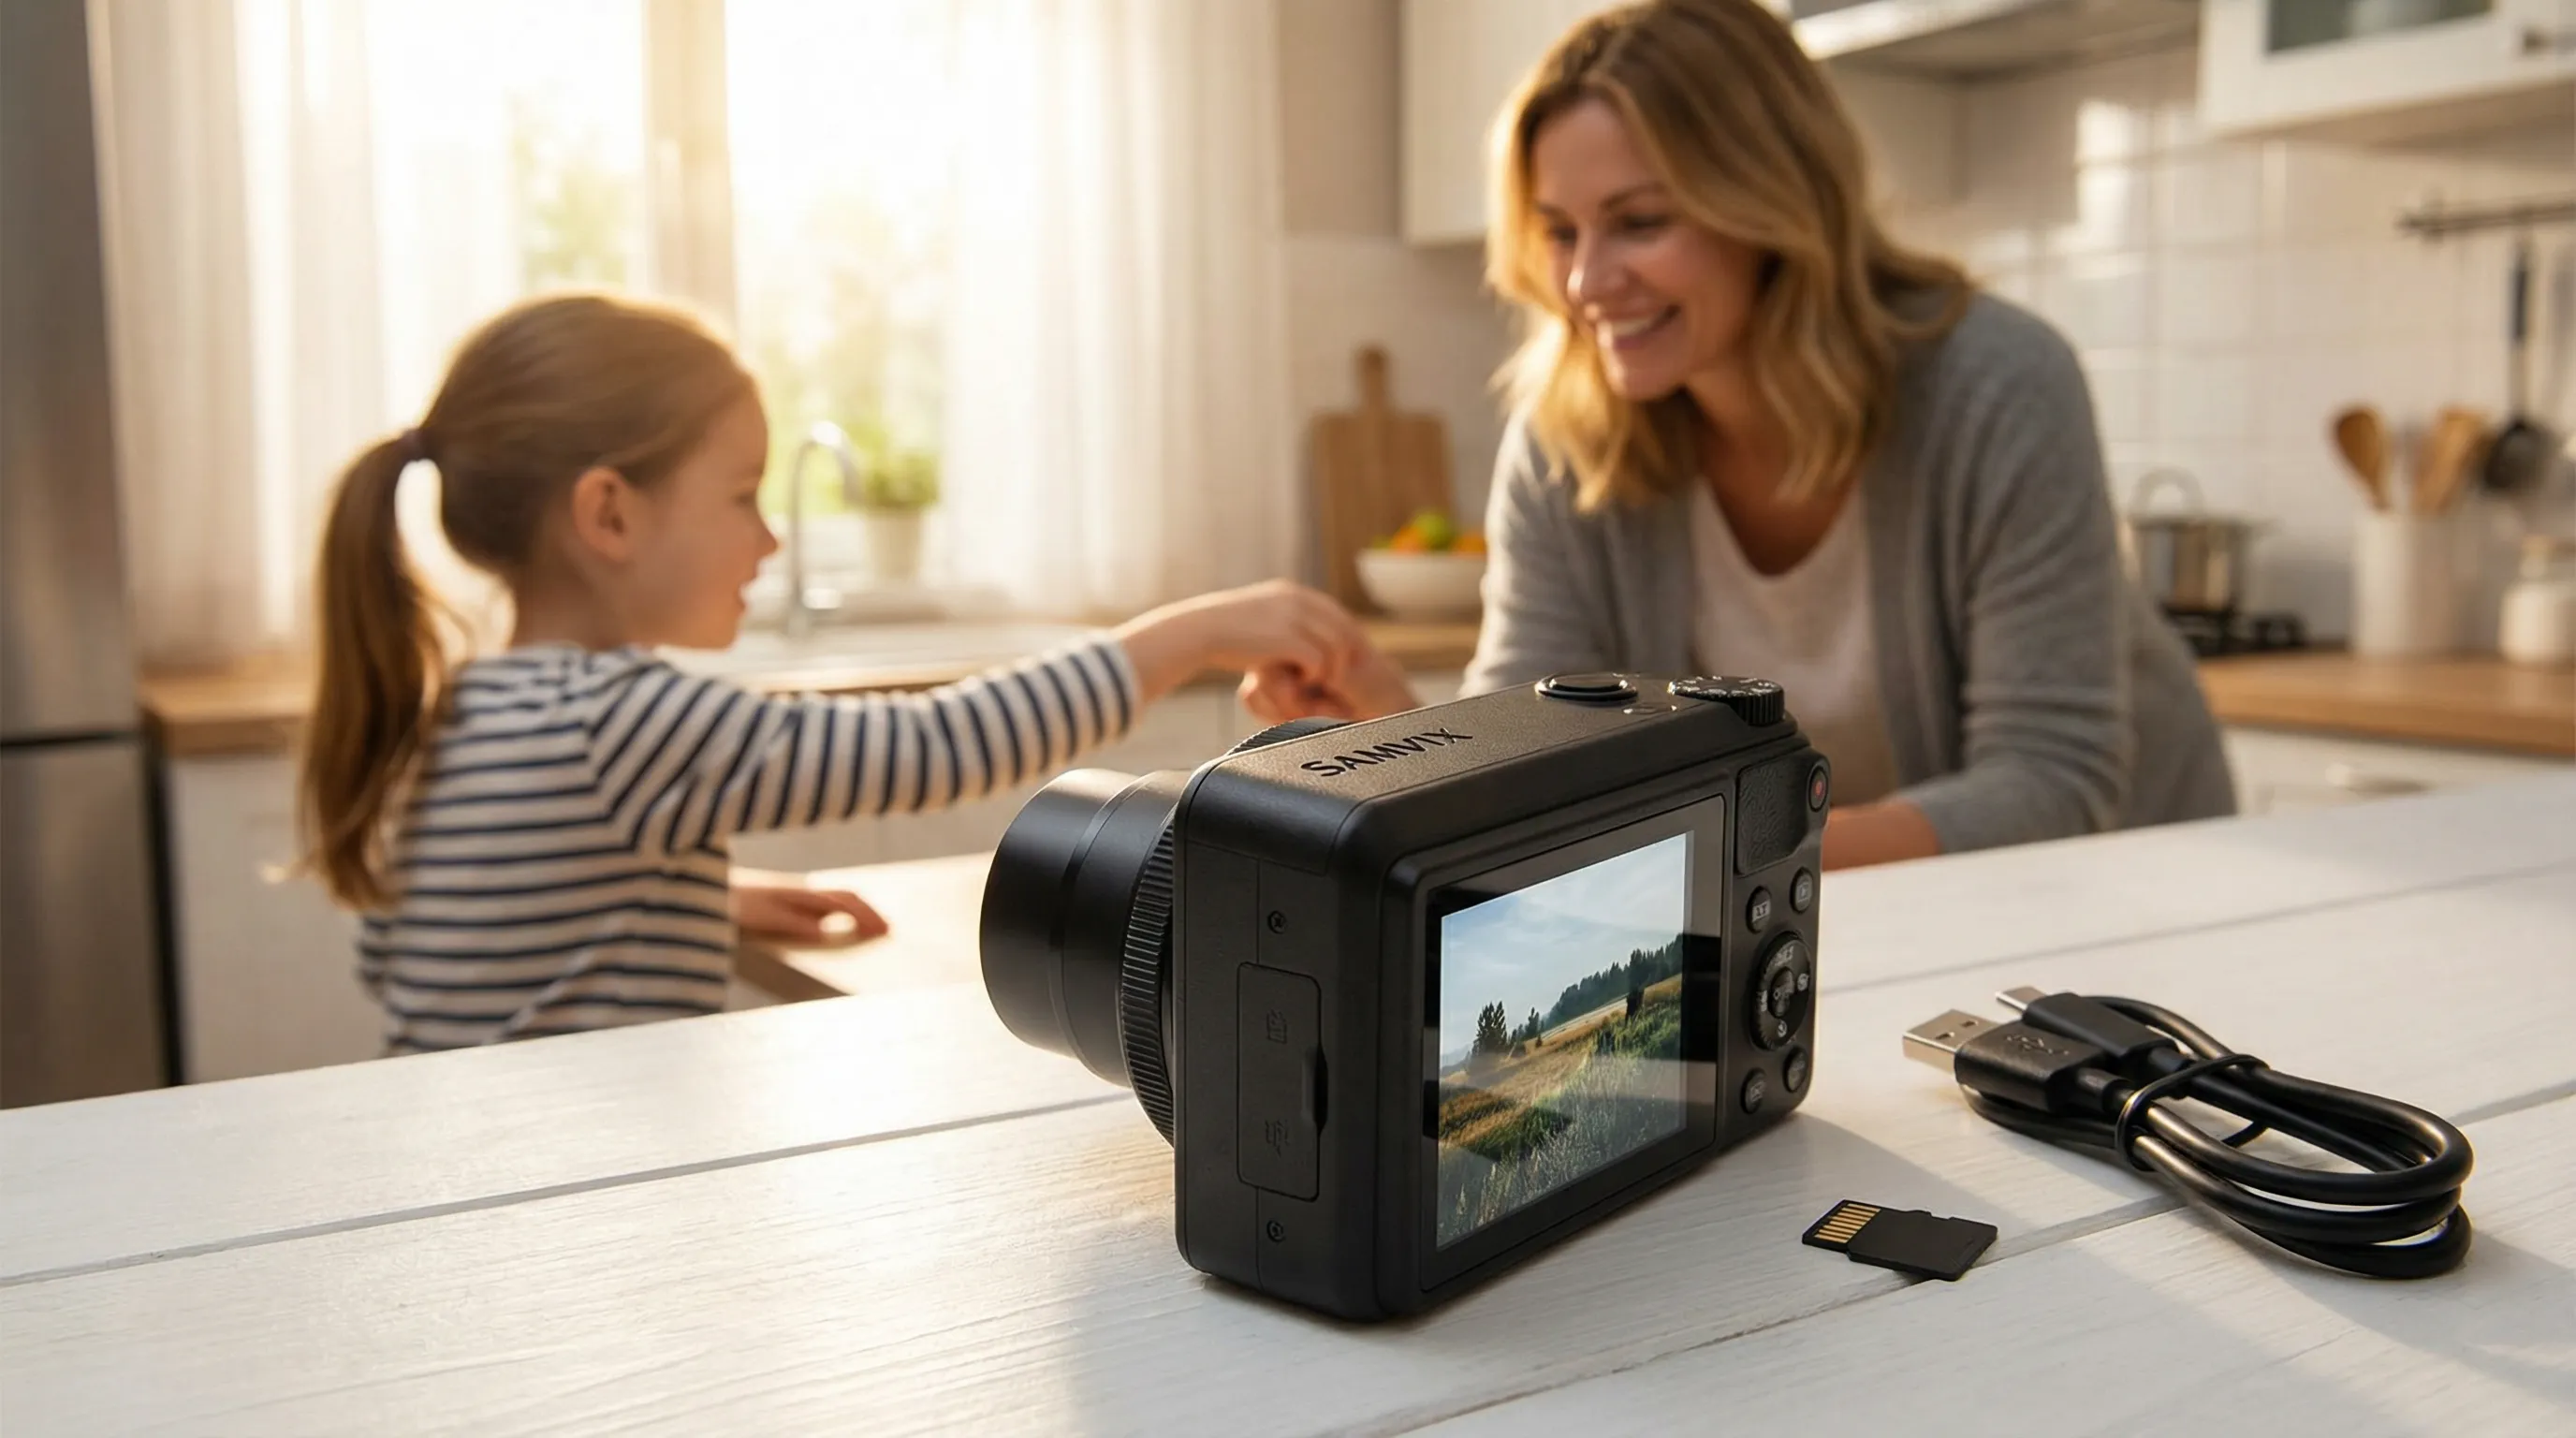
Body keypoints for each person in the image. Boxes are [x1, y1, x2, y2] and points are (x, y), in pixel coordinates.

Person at [297, 292, 1406, 1053]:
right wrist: (1184, 640)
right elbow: (930, 748)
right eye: (741, 496)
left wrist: (696, 895)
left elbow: (469, 943)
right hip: (569, 1211)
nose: (769, 542)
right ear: (608, 512)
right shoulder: (617, 724)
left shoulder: (452, 714)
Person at [1455, 0, 2233, 869]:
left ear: (1769, 203)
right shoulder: (1566, 438)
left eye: (1640, 221)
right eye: (1559, 232)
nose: (1586, 281)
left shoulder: (1998, 387)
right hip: (1835, 906)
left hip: (2135, 890)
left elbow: (2050, 783)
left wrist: (1731, 859)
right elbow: (1526, 751)